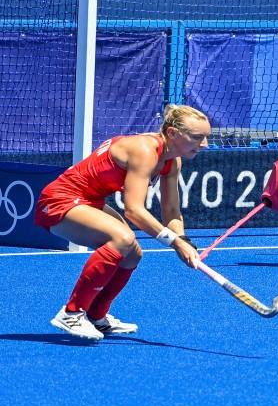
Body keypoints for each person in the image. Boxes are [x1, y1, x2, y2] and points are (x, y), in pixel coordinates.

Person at [36, 104, 209, 341]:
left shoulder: (172, 161)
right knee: (122, 239)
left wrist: (183, 240)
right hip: (58, 201)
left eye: (206, 137)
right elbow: (134, 210)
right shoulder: (145, 151)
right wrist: (175, 244)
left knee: (132, 254)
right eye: (197, 137)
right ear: (172, 133)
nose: (204, 144)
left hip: (89, 202)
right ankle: (72, 312)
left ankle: (97, 316)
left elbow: (171, 211)